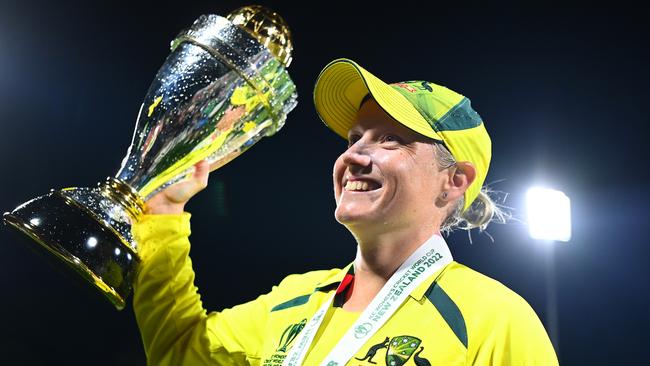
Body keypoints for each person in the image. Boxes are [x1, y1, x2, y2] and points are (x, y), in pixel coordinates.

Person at [132, 58, 559, 365]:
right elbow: (178, 352)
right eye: (355, 137)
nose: (354, 154)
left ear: (454, 181)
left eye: (391, 139)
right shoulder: (294, 299)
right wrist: (165, 212)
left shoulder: (494, 320)